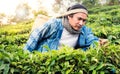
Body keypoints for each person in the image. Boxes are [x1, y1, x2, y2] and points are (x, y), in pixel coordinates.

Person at [24, 3, 107, 52]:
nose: (81, 23)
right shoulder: (55, 24)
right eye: (79, 19)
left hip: (65, 59)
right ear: (69, 16)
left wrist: (98, 43)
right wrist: (26, 55)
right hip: (46, 58)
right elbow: (36, 35)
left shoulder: (84, 30)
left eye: (84, 20)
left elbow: (91, 40)